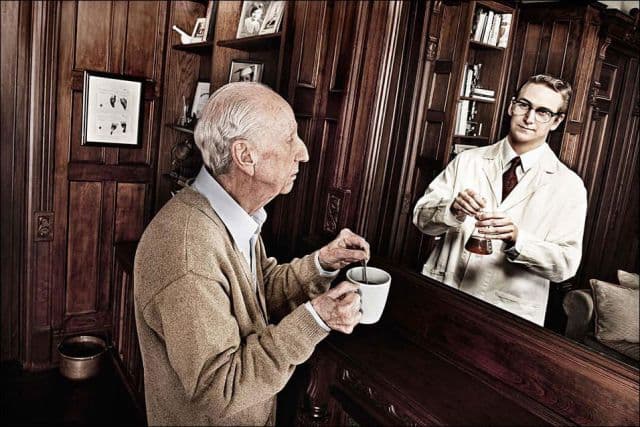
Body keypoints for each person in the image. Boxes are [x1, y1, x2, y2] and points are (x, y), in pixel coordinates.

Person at [134, 82, 369, 426]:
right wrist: (315, 320)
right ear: (245, 156)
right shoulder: (188, 253)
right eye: (289, 138)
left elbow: (255, 293)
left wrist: (322, 263)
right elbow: (221, 388)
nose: (303, 153)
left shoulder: (230, 215)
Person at [413, 74, 587, 326]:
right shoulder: (468, 160)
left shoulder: (568, 186)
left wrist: (517, 239)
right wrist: (451, 210)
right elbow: (421, 219)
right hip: (444, 293)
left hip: (508, 316)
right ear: (511, 106)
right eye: (524, 105)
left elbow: (565, 266)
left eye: (543, 112)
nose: (529, 118)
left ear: (556, 121)